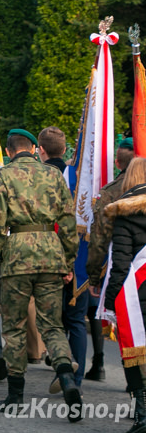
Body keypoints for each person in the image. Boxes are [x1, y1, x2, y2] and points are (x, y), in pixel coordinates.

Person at [0, 129, 82, 421]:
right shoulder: (54, 176)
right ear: (33, 148)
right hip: (51, 254)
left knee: (14, 326)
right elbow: (68, 221)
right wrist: (67, 260)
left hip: (17, 254)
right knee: (52, 325)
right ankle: (65, 376)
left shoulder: (3, 176)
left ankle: (15, 395)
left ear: (10, 150)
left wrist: (3, 253)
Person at [38, 126, 87, 389]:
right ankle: (74, 378)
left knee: (52, 321)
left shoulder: (40, 176)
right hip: (79, 258)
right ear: (65, 148)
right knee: (76, 321)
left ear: (41, 149)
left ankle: (63, 367)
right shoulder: (82, 176)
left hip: (50, 258)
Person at [87, 137, 136, 381]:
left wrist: (94, 276)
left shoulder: (110, 193)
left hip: (122, 269)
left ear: (118, 163)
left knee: (130, 330)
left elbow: (99, 239)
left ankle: (135, 389)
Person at [104, 157, 146, 433]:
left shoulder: (123, 214)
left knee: (133, 353)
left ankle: (142, 412)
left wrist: (110, 303)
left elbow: (120, 264)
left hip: (137, 296)